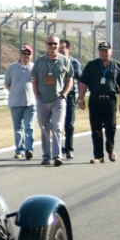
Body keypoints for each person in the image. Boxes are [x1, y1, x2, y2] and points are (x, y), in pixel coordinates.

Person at [77, 41, 120, 164]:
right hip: (95, 99)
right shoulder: (91, 65)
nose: (104, 52)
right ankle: (98, 156)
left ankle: (110, 150)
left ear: (110, 51)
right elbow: (83, 83)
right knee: (96, 128)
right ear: (99, 52)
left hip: (110, 100)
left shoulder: (117, 66)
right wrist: (81, 99)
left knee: (111, 127)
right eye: (102, 50)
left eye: (106, 50)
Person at [31, 35, 74, 167]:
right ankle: (45, 156)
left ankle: (57, 155)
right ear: (46, 45)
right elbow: (35, 80)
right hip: (42, 100)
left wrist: (64, 94)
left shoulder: (64, 61)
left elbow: (70, 79)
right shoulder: (39, 61)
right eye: (50, 44)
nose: (53, 46)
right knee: (44, 129)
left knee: (57, 127)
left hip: (58, 100)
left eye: (55, 44)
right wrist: (37, 96)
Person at [4, 44, 36, 160]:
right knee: (18, 129)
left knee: (29, 127)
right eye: (24, 53)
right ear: (20, 54)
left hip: (30, 103)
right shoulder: (11, 68)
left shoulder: (34, 68)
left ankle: (29, 149)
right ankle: (19, 150)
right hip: (15, 103)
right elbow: (7, 84)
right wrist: (15, 92)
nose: (26, 56)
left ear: (31, 55)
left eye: (29, 54)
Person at [58, 38, 82, 159]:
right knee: (57, 125)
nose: (60, 50)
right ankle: (58, 149)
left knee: (69, 124)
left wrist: (81, 97)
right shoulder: (54, 61)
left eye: (62, 48)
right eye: (59, 48)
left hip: (70, 96)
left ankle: (69, 149)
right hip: (56, 96)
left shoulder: (74, 63)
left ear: (68, 48)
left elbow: (80, 80)